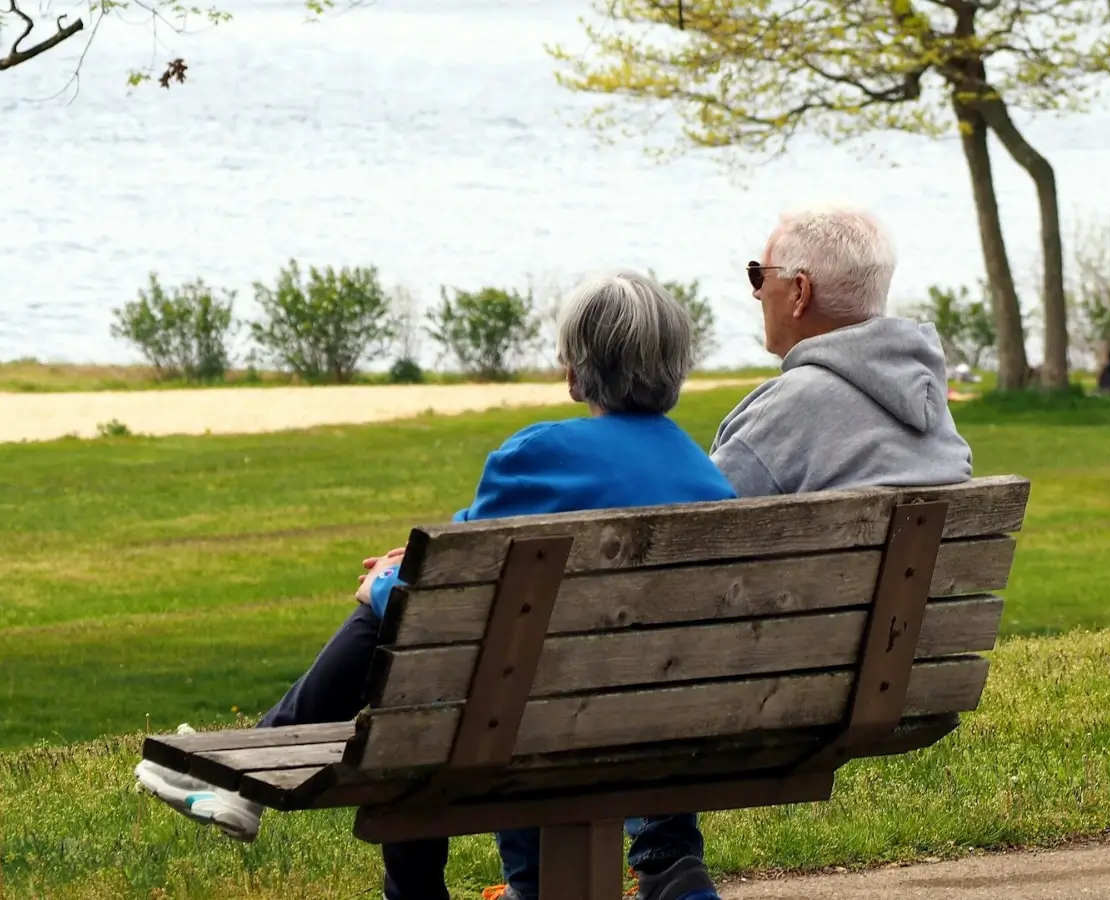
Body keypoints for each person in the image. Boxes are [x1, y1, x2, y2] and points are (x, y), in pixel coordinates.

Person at [135, 269, 731, 900]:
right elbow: (472, 562)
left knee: (410, 670)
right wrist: (417, 566)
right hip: (667, 733)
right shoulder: (709, 482)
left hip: (532, 726)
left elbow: (454, 600)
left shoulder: (538, 454)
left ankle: (248, 772)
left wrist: (388, 586)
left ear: (574, 373)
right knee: (505, 672)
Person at [714, 203, 972, 495]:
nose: (757, 292)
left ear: (800, 292)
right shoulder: (930, 403)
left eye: (759, 275)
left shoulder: (784, 409)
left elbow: (697, 522)